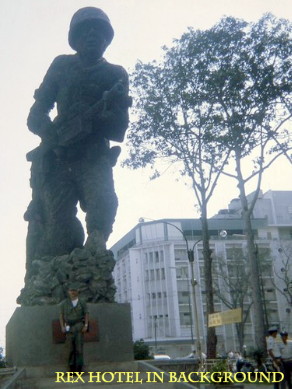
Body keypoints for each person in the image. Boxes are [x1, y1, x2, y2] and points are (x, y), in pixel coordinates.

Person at [24, 7, 132, 275]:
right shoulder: (61, 65)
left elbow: (119, 127)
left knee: (104, 202)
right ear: (75, 37)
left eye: (99, 31)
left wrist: (98, 117)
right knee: (57, 234)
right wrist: (53, 137)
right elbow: (36, 115)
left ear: (108, 39)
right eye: (86, 30)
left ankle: (94, 252)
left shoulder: (115, 74)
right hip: (59, 159)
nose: (93, 35)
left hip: (94, 156)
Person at [59, 284, 89, 373]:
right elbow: (61, 316)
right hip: (69, 327)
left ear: (77, 292)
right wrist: (62, 326)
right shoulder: (64, 303)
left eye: (74, 290)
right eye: (71, 291)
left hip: (79, 326)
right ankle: (71, 370)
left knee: (79, 349)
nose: (72, 292)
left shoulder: (82, 302)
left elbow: (86, 314)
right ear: (68, 292)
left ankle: (79, 369)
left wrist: (86, 325)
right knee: (70, 349)